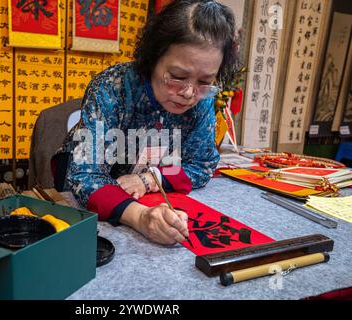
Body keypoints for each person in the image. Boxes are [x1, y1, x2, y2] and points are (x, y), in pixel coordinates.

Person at [52, 0, 237, 245]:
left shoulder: (201, 102)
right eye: (178, 77)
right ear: (153, 57)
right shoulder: (113, 87)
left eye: (205, 82)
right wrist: (141, 217)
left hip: (149, 191)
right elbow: (85, 176)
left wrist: (151, 179)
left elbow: (202, 165)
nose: (190, 93)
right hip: (90, 190)